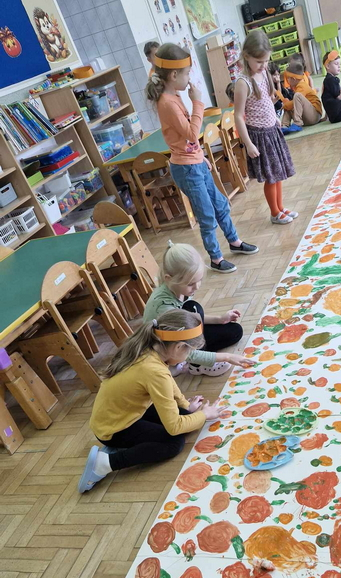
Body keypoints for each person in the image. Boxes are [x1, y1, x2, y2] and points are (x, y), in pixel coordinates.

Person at [78, 310, 228, 494]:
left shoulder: (149, 347)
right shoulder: (154, 371)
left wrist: (186, 405)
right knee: (174, 443)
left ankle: (121, 447)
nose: (190, 355)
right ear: (179, 347)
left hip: (121, 413)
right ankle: (105, 463)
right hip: (113, 428)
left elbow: (168, 383)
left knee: (186, 416)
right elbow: (174, 427)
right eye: (190, 351)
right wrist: (204, 415)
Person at [146, 43, 258, 275]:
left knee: (220, 204)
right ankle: (216, 258)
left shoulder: (174, 95)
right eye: (187, 73)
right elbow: (190, 133)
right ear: (174, 75)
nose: (189, 78)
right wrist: (198, 102)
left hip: (194, 163)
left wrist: (200, 156)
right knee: (207, 215)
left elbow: (186, 138)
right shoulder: (167, 103)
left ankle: (234, 242)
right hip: (186, 169)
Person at [143, 242, 254, 376]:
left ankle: (198, 358)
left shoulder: (179, 289)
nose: (197, 287)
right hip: (168, 349)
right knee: (192, 308)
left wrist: (220, 319)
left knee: (234, 331)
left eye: (199, 280)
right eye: (191, 284)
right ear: (169, 279)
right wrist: (227, 357)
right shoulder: (164, 308)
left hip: (182, 335)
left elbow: (193, 318)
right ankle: (195, 365)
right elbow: (185, 350)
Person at [234, 29, 296, 225]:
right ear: (246, 56)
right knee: (271, 176)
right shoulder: (243, 83)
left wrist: (275, 118)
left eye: (266, 61)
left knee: (278, 173)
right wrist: (248, 144)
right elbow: (238, 116)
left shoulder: (265, 74)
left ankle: (280, 207)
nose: (263, 65)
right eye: (259, 62)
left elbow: (268, 99)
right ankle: (274, 212)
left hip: (272, 131)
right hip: (259, 137)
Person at [281, 60, 323, 128]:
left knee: (296, 96)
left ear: (294, 79)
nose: (287, 80)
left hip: (314, 115)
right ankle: (284, 125)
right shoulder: (297, 86)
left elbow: (294, 102)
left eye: (288, 78)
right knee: (289, 106)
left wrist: (284, 105)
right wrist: (286, 105)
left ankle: (297, 122)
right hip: (308, 116)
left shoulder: (302, 86)